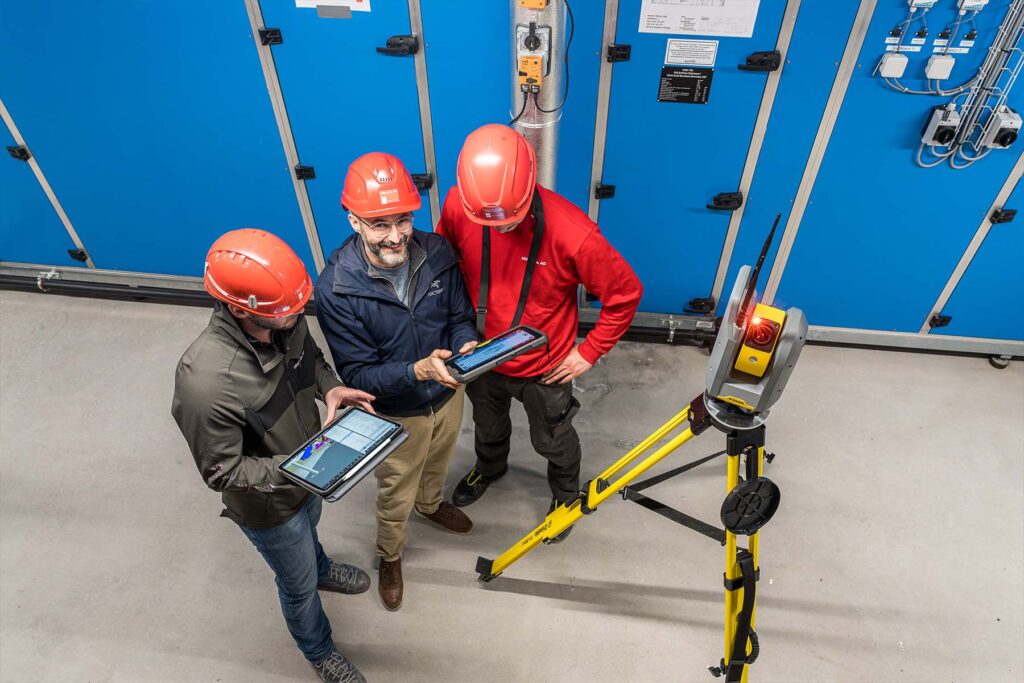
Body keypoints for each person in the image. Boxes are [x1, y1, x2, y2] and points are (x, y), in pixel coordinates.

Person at [171, 229, 375, 683]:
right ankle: (318, 649)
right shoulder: (207, 381)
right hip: (270, 505)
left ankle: (321, 567)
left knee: (312, 534)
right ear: (242, 309)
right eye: (291, 310)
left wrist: (330, 387)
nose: (300, 314)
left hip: (310, 469)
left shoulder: (283, 315)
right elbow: (221, 470)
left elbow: (313, 361)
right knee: (297, 584)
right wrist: (300, 469)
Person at [437, 124, 643, 542]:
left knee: (553, 439)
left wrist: (589, 352)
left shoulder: (575, 234)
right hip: (481, 354)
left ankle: (565, 496)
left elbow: (625, 294)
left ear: (530, 185)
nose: (497, 229)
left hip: (545, 368)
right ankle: (491, 468)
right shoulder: (463, 205)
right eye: (487, 223)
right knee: (487, 425)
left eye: (509, 222)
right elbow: (446, 260)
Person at [315, 152, 478, 611]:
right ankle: (390, 554)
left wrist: (466, 346)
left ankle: (431, 504)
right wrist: (416, 371)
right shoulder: (336, 289)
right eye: (379, 223)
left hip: (447, 393)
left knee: (439, 461)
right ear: (354, 221)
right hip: (398, 411)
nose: (394, 235)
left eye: (402, 220)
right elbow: (360, 376)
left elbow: (460, 316)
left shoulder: (439, 253)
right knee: (395, 488)